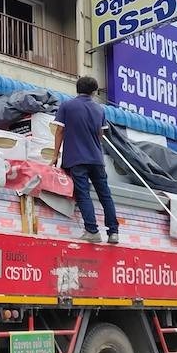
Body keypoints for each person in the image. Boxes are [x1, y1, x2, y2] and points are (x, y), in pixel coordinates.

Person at [51, 76, 119, 244]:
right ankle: (113, 232)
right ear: (94, 92)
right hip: (97, 159)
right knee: (105, 195)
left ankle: (92, 231)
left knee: (83, 194)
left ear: (77, 89)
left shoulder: (67, 106)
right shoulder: (100, 110)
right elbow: (100, 135)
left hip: (77, 158)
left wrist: (55, 155)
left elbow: (59, 131)